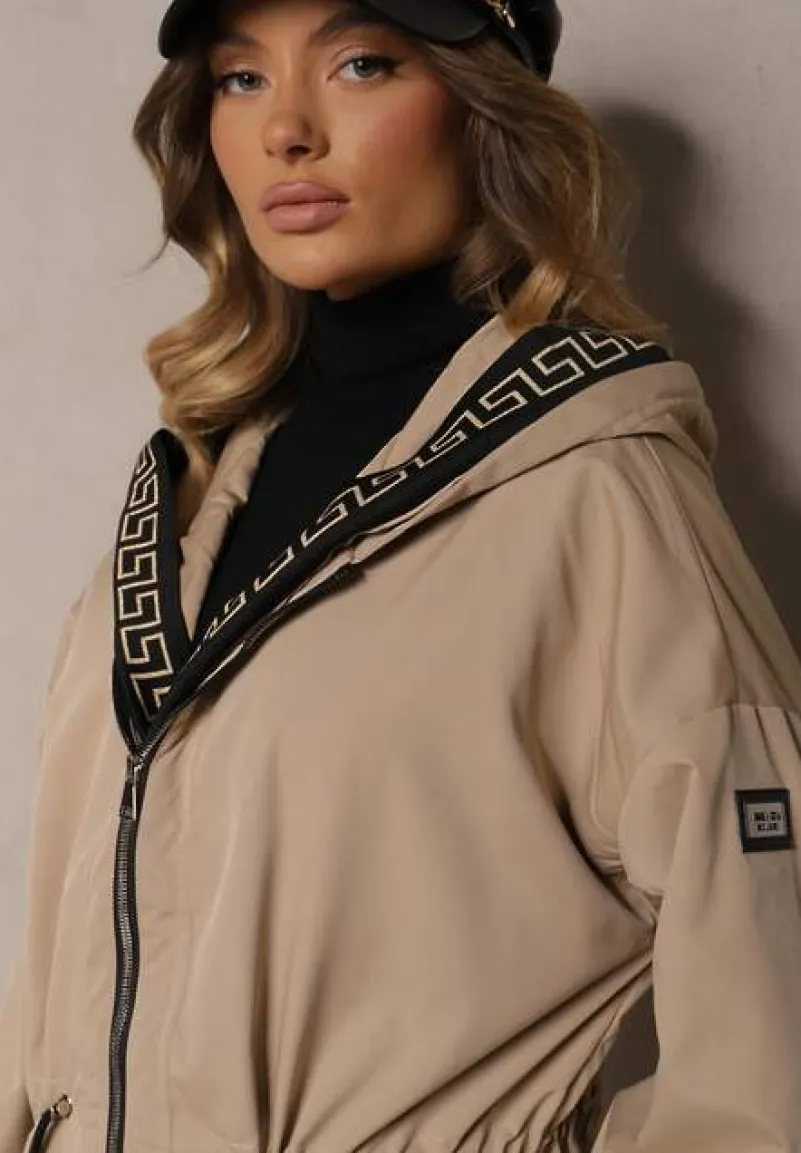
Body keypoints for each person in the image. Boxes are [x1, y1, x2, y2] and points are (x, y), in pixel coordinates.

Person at [2, 2, 801, 1153]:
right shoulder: (186, 507)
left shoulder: (598, 495)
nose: (286, 129)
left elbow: (767, 1034)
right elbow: (62, 979)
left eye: (361, 65)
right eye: (239, 79)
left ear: (484, 109)